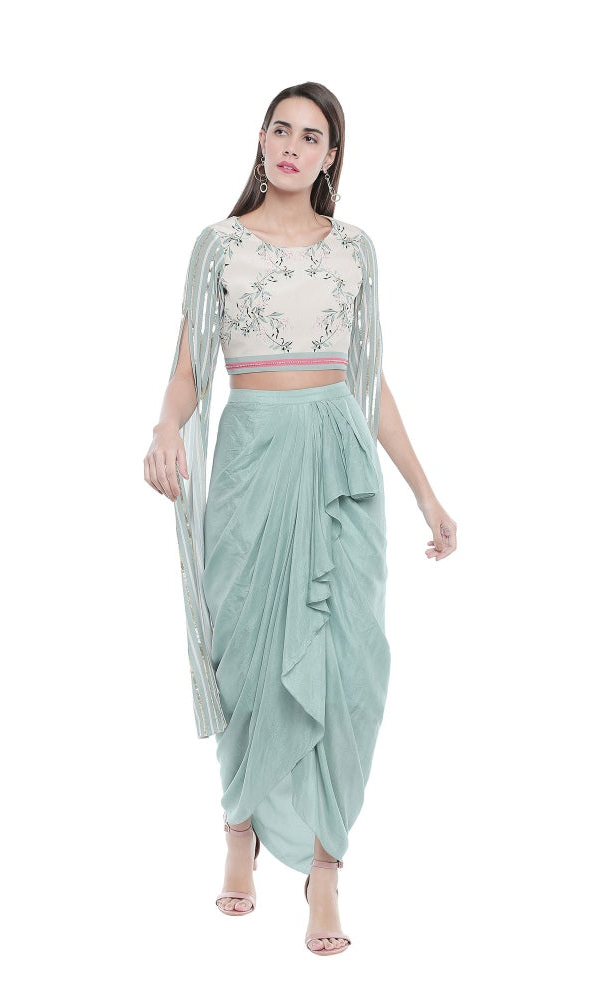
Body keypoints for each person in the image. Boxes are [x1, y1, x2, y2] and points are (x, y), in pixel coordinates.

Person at [144, 82, 457, 956]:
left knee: (349, 663)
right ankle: (239, 829)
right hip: (253, 457)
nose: (291, 145)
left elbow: (372, 380)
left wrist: (427, 492)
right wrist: (164, 427)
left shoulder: (356, 249)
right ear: (260, 140)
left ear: (330, 157)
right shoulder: (218, 244)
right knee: (247, 652)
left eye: (310, 136)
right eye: (280, 129)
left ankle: (325, 870)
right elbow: (188, 370)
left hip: (339, 464)